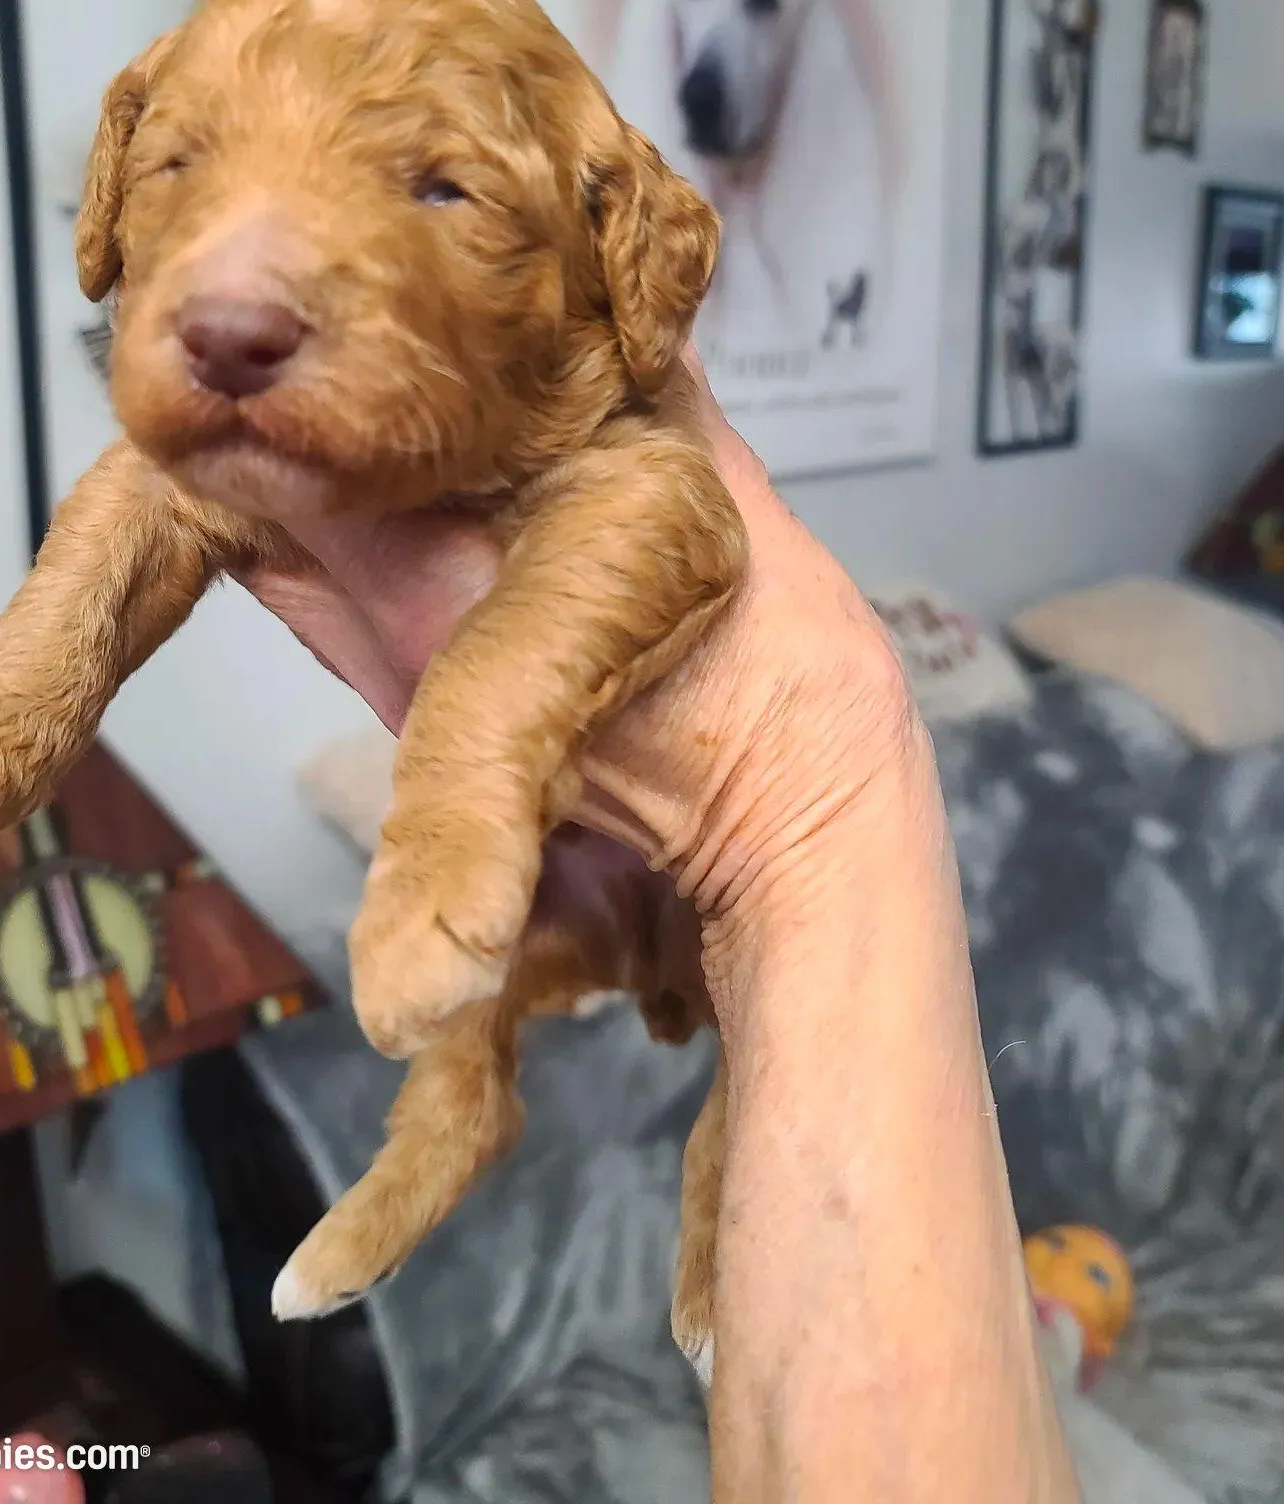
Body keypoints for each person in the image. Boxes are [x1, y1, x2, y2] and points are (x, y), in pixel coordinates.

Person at [241, 357, 1079, 1503]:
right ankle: (415, 1174)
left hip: (725, 830)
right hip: (577, 850)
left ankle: (692, 1258)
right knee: (466, 1011)